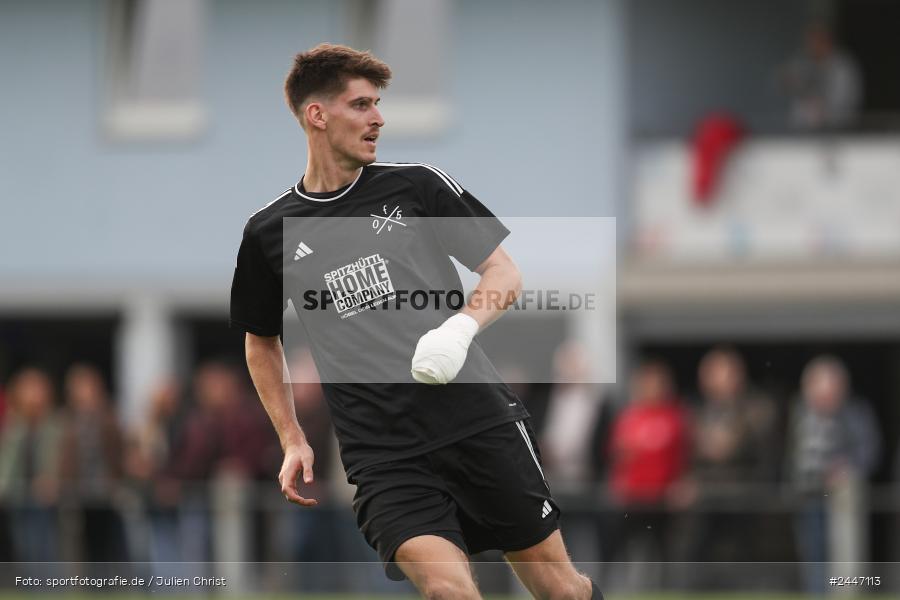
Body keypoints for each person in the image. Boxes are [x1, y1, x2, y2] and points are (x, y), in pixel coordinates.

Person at [229, 43, 601, 599]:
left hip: (477, 422)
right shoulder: (268, 231)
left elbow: (503, 273)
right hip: (383, 454)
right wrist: (292, 438)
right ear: (317, 115)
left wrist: (459, 329)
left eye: (377, 105)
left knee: (560, 589)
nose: (378, 119)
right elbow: (260, 341)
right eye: (361, 105)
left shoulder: (417, 186)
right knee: (449, 591)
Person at [787, 355, 880, 594]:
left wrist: (845, 469)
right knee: (813, 551)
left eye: (830, 393)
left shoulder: (856, 412)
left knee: (845, 553)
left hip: (842, 496)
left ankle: (847, 593)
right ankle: (816, 593)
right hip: (808, 494)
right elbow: (792, 453)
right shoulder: (800, 412)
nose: (824, 400)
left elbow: (869, 451)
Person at [779, 23, 862, 130]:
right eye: (809, 42)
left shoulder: (843, 67)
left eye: (816, 41)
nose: (811, 46)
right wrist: (788, 82)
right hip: (803, 130)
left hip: (836, 129)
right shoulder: (802, 63)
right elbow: (783, 85)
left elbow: (846, 101)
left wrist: (824, 110)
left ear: (827, 41)